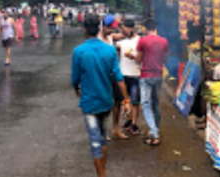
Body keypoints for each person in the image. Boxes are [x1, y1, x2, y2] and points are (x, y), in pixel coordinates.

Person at [72, 17, 131, 177]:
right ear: (99, 28)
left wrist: (77, 90)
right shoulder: (110, 50)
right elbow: (119, 78)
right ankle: (102, 171)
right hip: (106, 101)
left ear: (85, 30)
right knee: (101, 135)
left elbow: (75, 79)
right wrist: (126, 99)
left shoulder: (79, 51)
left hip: (89, 102)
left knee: (95, 141)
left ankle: (102, 175)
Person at [134, 19, 168, 146]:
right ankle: (155, 128)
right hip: (158, 75)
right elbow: (165, 58)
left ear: (145, 28)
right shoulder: (164, 41)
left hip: (146, 75)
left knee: (146, 104)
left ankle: (154, 132)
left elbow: (138, 60)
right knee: (155, 103)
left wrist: (133, 57)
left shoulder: (142, 41)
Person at [117, 19, 142, 137]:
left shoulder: (140, 41)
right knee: (124, 100)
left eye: (124, 29)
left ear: (131, 28)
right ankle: (127, 120)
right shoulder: (120, 41)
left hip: (135, 74)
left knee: (135, 101)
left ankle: (134, 123)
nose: (122, 31)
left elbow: (142, 58)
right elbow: (116, 55)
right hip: (123, 74)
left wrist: (133, 57)